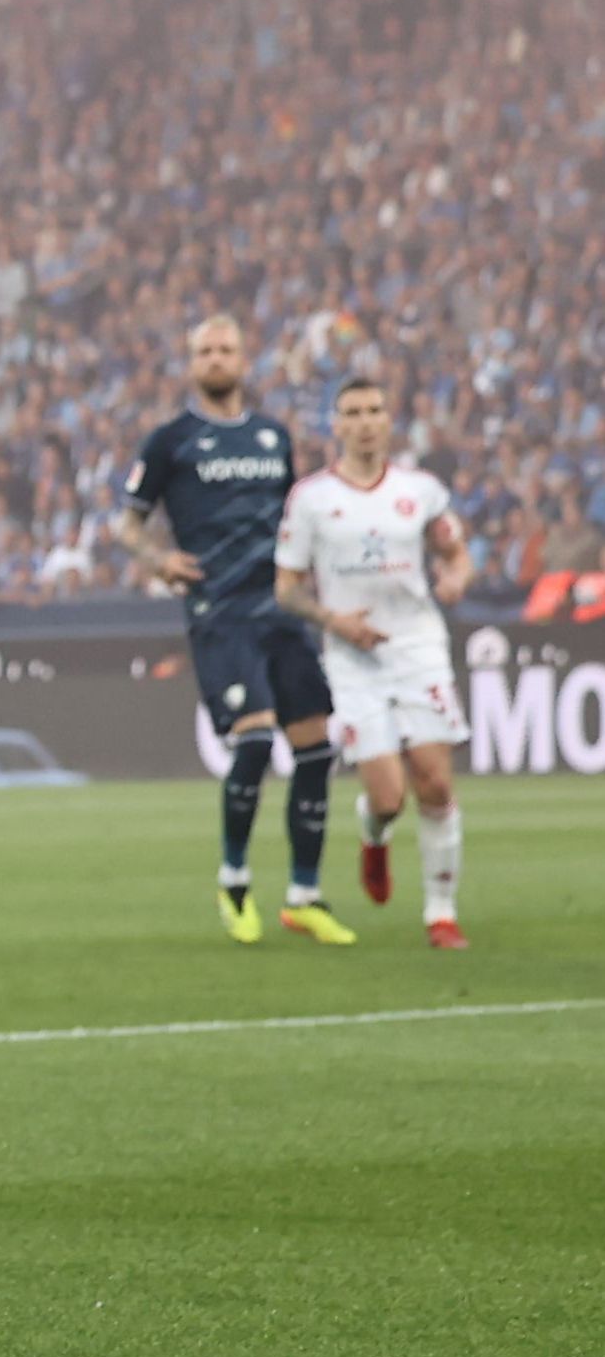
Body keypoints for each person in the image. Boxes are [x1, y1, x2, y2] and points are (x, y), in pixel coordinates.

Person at [119, 315, 351, 945]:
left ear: (244, 360)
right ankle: (235, 882)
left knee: (315, 747)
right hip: (219, 612)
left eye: (226, 349)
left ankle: (304, 895)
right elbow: (128, 525)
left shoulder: (274, 438)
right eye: (205, 351)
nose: (217, 359)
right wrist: (157, 559)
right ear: (192, 365)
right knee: (252, 743)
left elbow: (292, 521)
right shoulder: (170, 441)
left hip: (279, 608)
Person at [273, 378, 471, 949]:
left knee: (434, 782)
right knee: (389, 797)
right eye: (353, 412)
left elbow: (451, 550)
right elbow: (286, 587)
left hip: (416, 647)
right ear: (336, 425)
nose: (364, 422)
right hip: (351, 656)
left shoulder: (421, 491)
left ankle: (441, 913)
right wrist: (334, 622)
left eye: (374, 411)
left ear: (389, 421)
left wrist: (456, 576)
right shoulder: (311, 499)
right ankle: (372, 831)